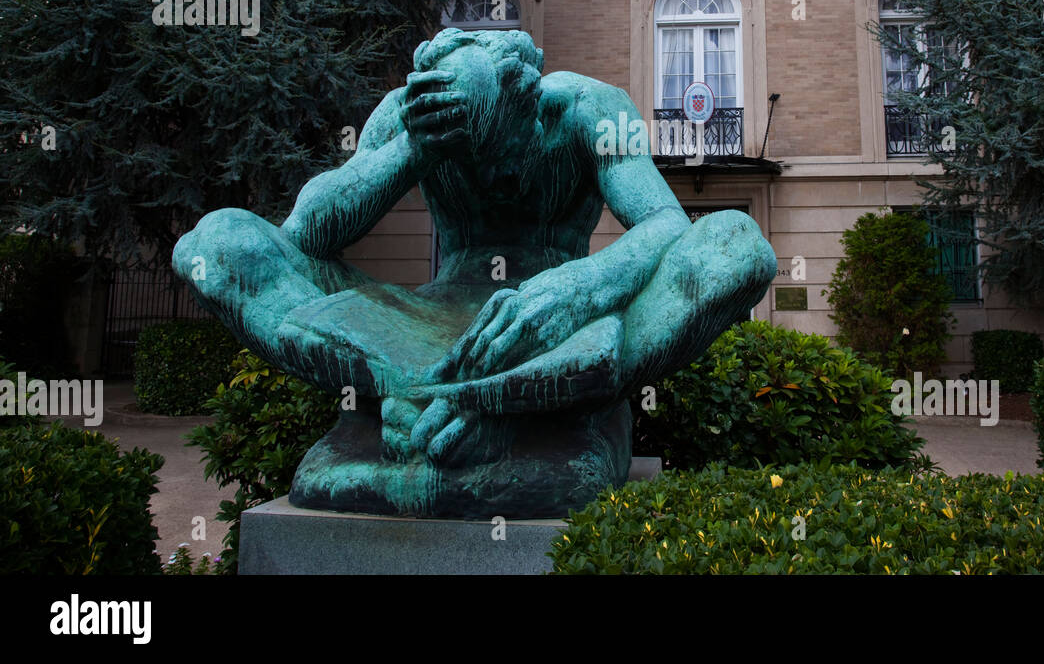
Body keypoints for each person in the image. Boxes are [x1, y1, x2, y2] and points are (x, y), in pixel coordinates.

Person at [173, 27, 775, 515]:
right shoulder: (416, 115)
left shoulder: (587, 108)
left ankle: (425, 419)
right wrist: (415, 149)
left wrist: (577, 286)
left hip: (554, 325)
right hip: (426, 325)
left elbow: (665, 224)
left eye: (498, 151)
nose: (492, 178)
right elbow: (306, 233)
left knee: (734, 247)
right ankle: (486, 413)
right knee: (221, 244)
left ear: (527, 105)